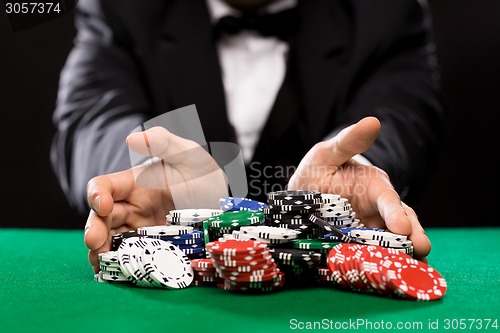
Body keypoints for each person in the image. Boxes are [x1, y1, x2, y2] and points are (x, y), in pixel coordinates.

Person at [51, 0, 446, 273]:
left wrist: (358, 168)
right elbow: (92, 117)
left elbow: (404, 116)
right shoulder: (122, 6)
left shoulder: (387, 11)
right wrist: (143, 172)